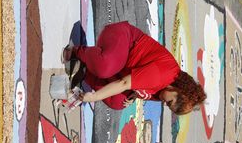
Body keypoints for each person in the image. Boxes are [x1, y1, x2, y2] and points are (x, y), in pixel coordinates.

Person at [62, 21, 206, 114]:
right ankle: (77, 51)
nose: (165, 104)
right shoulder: (163, 74)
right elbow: (124, 83)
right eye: (170, 102)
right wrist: (94, 96)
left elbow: (138, 88)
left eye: (168, 106)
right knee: (105, 67)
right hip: (121, 38)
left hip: (121, 66)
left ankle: (85, 71)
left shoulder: (163, 92)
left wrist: (135, 95)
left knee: (118, 102)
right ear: (177, 89)